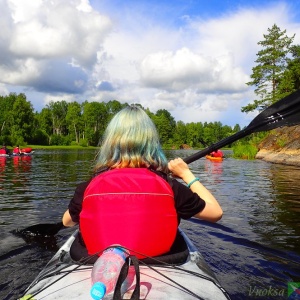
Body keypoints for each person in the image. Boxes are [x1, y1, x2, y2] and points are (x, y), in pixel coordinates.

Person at [62, 105, 223, 261]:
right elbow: (216, 213)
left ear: (110, 143)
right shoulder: (170, 187)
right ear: (151, 143)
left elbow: (67, 222)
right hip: (159, 260)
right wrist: (186, 174)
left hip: (98, 263)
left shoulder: (88, 187)